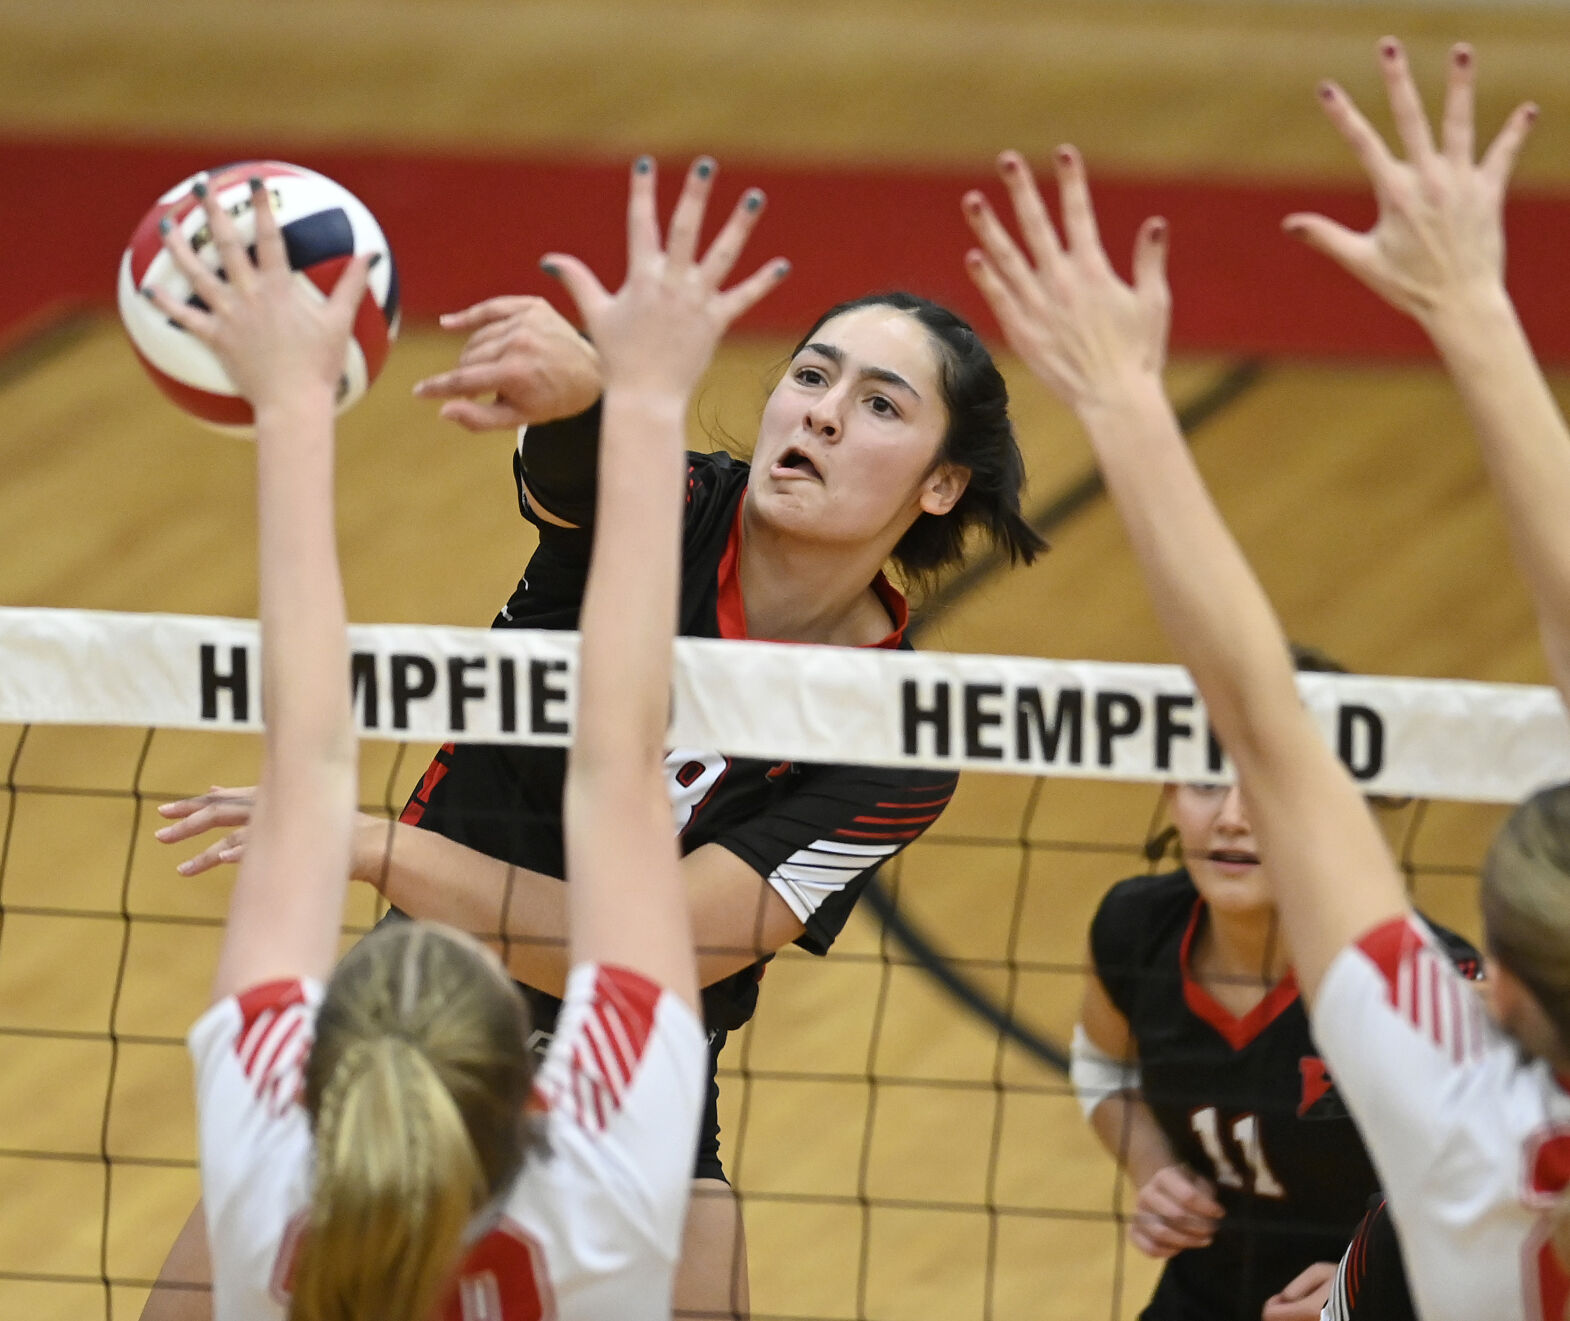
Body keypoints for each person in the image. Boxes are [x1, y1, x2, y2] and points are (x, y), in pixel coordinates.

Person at [154, 168, 1046, 1316]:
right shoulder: (664, 505)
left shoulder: (899, 746)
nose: (820, 410)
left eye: (879, 404)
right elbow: (584, 460)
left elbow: (623, 956)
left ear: (941, 485)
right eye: (811, 374)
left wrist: (369, 841)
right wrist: (589, 390)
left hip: (629, 1095)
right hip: (422, 1033)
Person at [962, 36, 1570, 1321]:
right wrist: (1474, 307)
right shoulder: (1145, 933)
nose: (1234, 805)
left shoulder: (1444, 1087)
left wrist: (1122, 397)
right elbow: (1271, 745)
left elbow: (1268, 730)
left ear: (1497, 978)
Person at [143, 154, 785, 1319]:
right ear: (521, 1091)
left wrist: (287, 406)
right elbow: (618, 771)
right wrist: (641, 401)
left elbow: (307, 753)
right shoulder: (609, 1183)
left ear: (315, 1078)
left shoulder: (265, 1185)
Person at [1076, 651, 1480, 1321]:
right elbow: (1101, 1062)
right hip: (1203, 1298)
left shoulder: (1427, 982)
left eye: (1266, 781)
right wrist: (1151, 1165)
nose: (1233, 816)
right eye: (1207, 778)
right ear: (1170, 790)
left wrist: (1375, 1282)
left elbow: (1512, 1190)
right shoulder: (1135, 927)